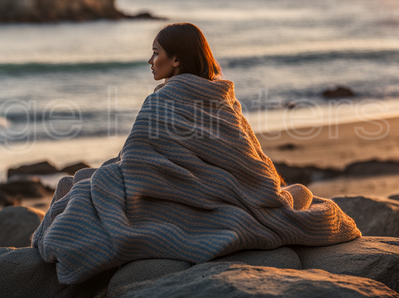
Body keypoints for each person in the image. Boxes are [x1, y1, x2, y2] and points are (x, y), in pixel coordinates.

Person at [31, 22, 361, 285]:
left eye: (155, 52)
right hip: (245, 194)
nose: (150, 61)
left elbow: (134, 167)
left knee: (90, 183)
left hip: (194, 196)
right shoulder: (224, 98)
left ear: (176, 59)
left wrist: (108, 176)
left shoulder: (160, 101)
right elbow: (255, 164)